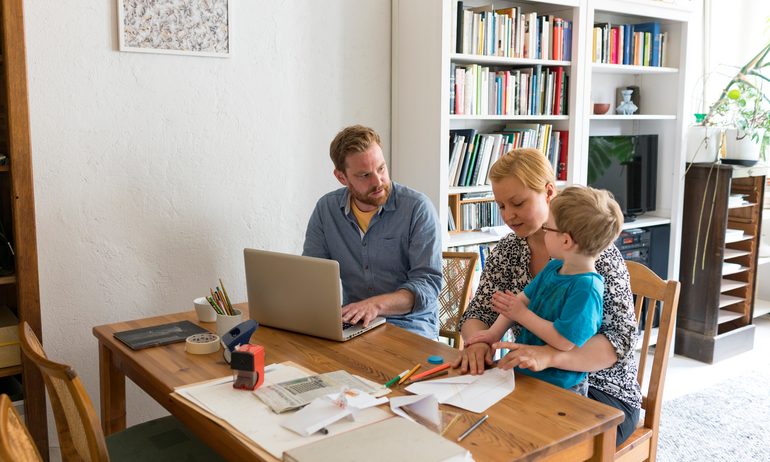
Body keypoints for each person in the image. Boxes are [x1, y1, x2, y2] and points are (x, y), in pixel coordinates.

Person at [451, 148, 641, 445]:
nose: (508, 215)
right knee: (472, 426)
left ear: (549, 192)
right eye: (501, 206)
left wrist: (549, 356)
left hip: (600, 390)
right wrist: (479, 343)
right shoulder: (509, 250)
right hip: (533, 379)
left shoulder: (592, 253)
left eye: (518, 203)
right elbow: (478, 313)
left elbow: (619, 342)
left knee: (523, 440)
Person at [465, 186, 624, 396]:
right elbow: (521, 300)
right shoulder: (553, 267)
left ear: (565, 240)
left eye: (548, 228)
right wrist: (493, 333)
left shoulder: (587, 289)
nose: (544, 232)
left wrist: (522, 315)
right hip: (528, 373)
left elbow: (564, 341)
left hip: (563, 385)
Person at [303, 125, 442, 339]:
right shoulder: (326, 210)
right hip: (355, 324)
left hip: (411, 325)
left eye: (381, 168)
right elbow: (313, 275)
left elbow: (427, 285)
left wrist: (375, 305)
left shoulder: (417, 208)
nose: (378, 182)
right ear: (341, 177)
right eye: (365, 175)